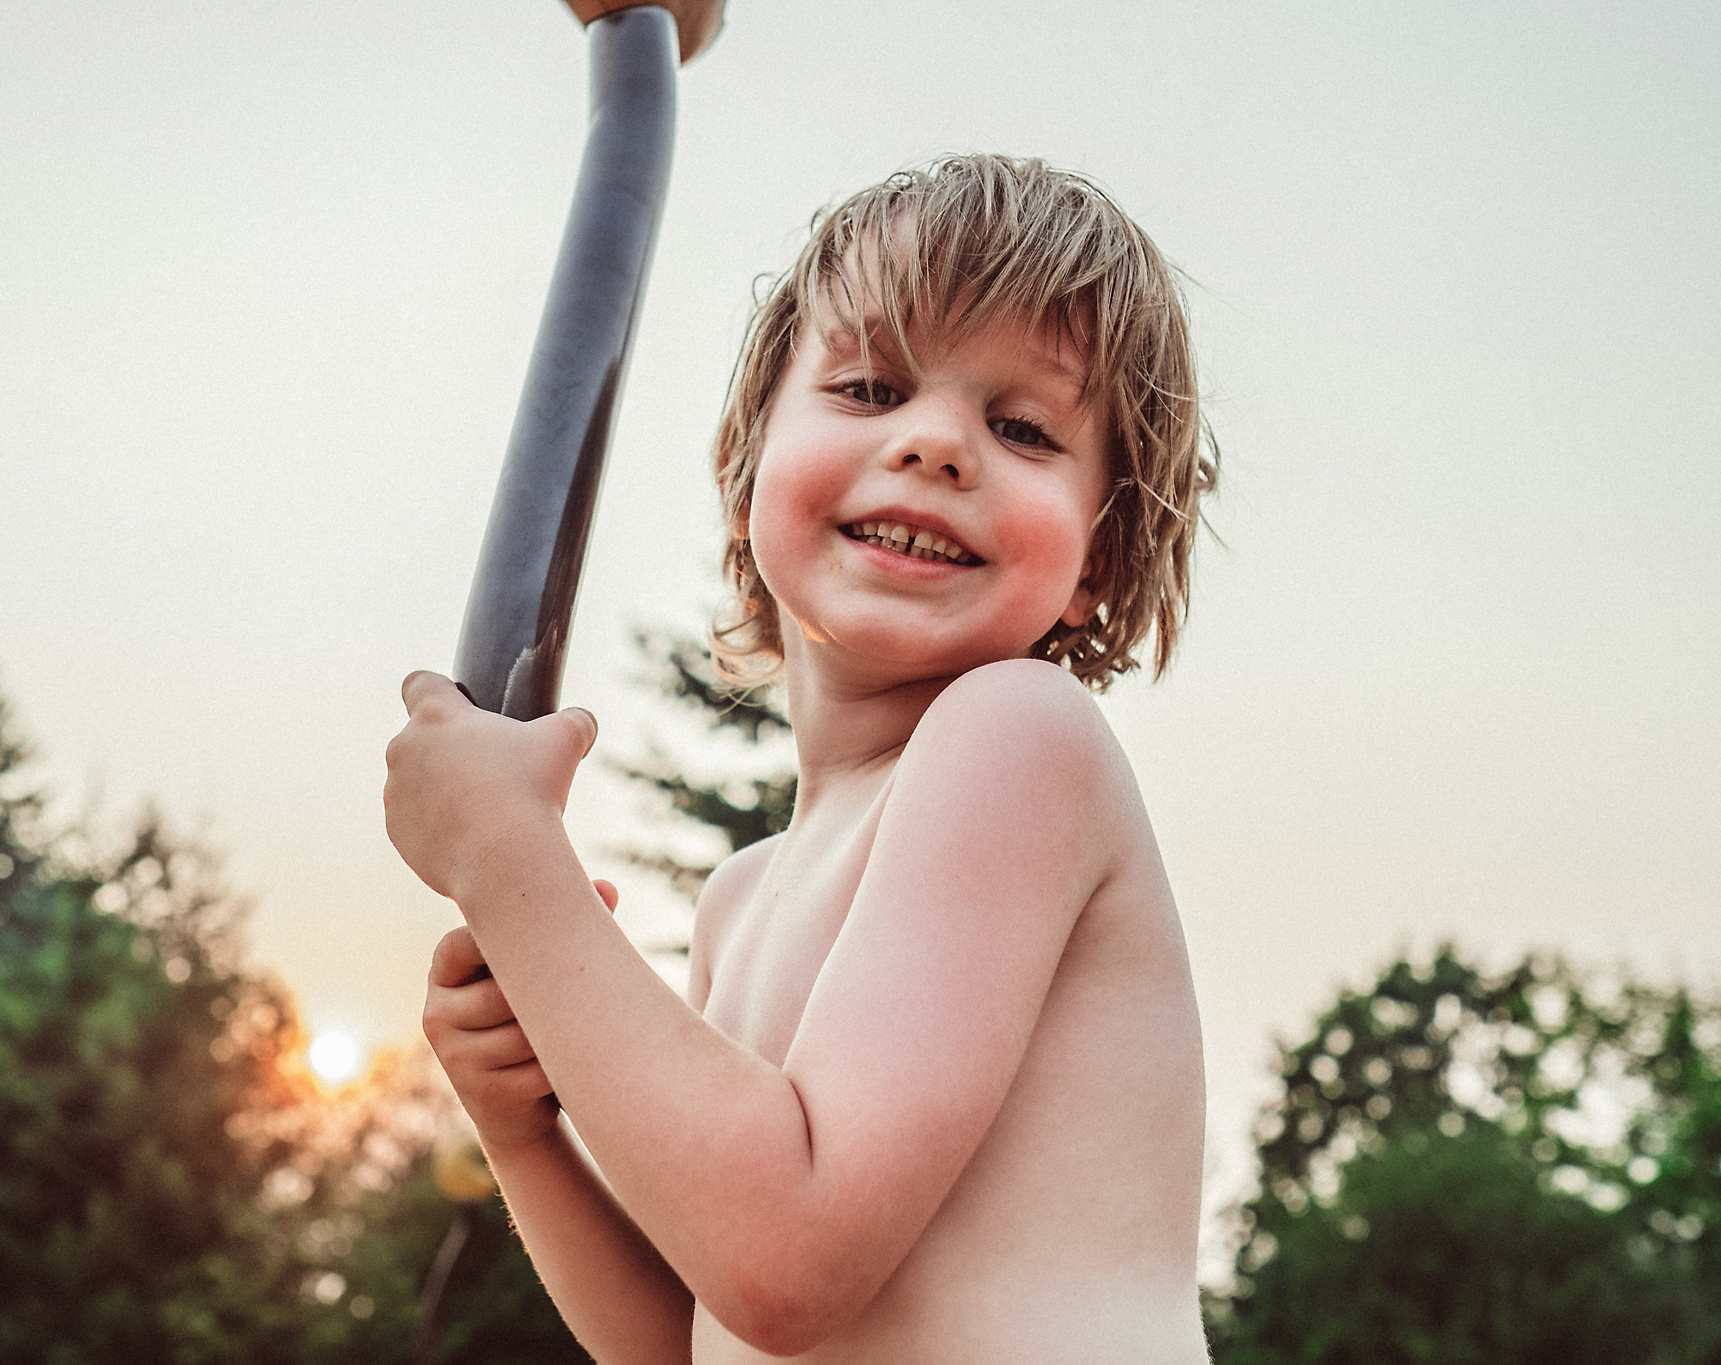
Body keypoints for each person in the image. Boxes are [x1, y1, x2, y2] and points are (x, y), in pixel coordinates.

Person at [386, 153, 1218, 1363]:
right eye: (873, 386)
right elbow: (694, 1339)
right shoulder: (738, 902)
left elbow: (788, 1257)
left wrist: (507, 858)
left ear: (1099, 552)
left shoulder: (1017, 736)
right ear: (744, 461)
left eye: (1023, 426)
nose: (936, 444)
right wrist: (521, 1133)